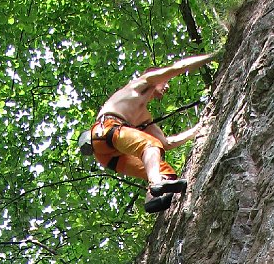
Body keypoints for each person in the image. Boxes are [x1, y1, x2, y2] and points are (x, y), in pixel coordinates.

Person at [90, 50, 218, 213]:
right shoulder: (142, 82)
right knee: (150, 145)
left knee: (165, 171)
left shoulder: (143, 116)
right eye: (165, 82)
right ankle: (155, 184)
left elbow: (166, 143)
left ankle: (153, 198)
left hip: (108, 155)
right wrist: (213, 56)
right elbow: (180, 67)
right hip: (105, 130)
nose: (167, 86)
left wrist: (196, 130)